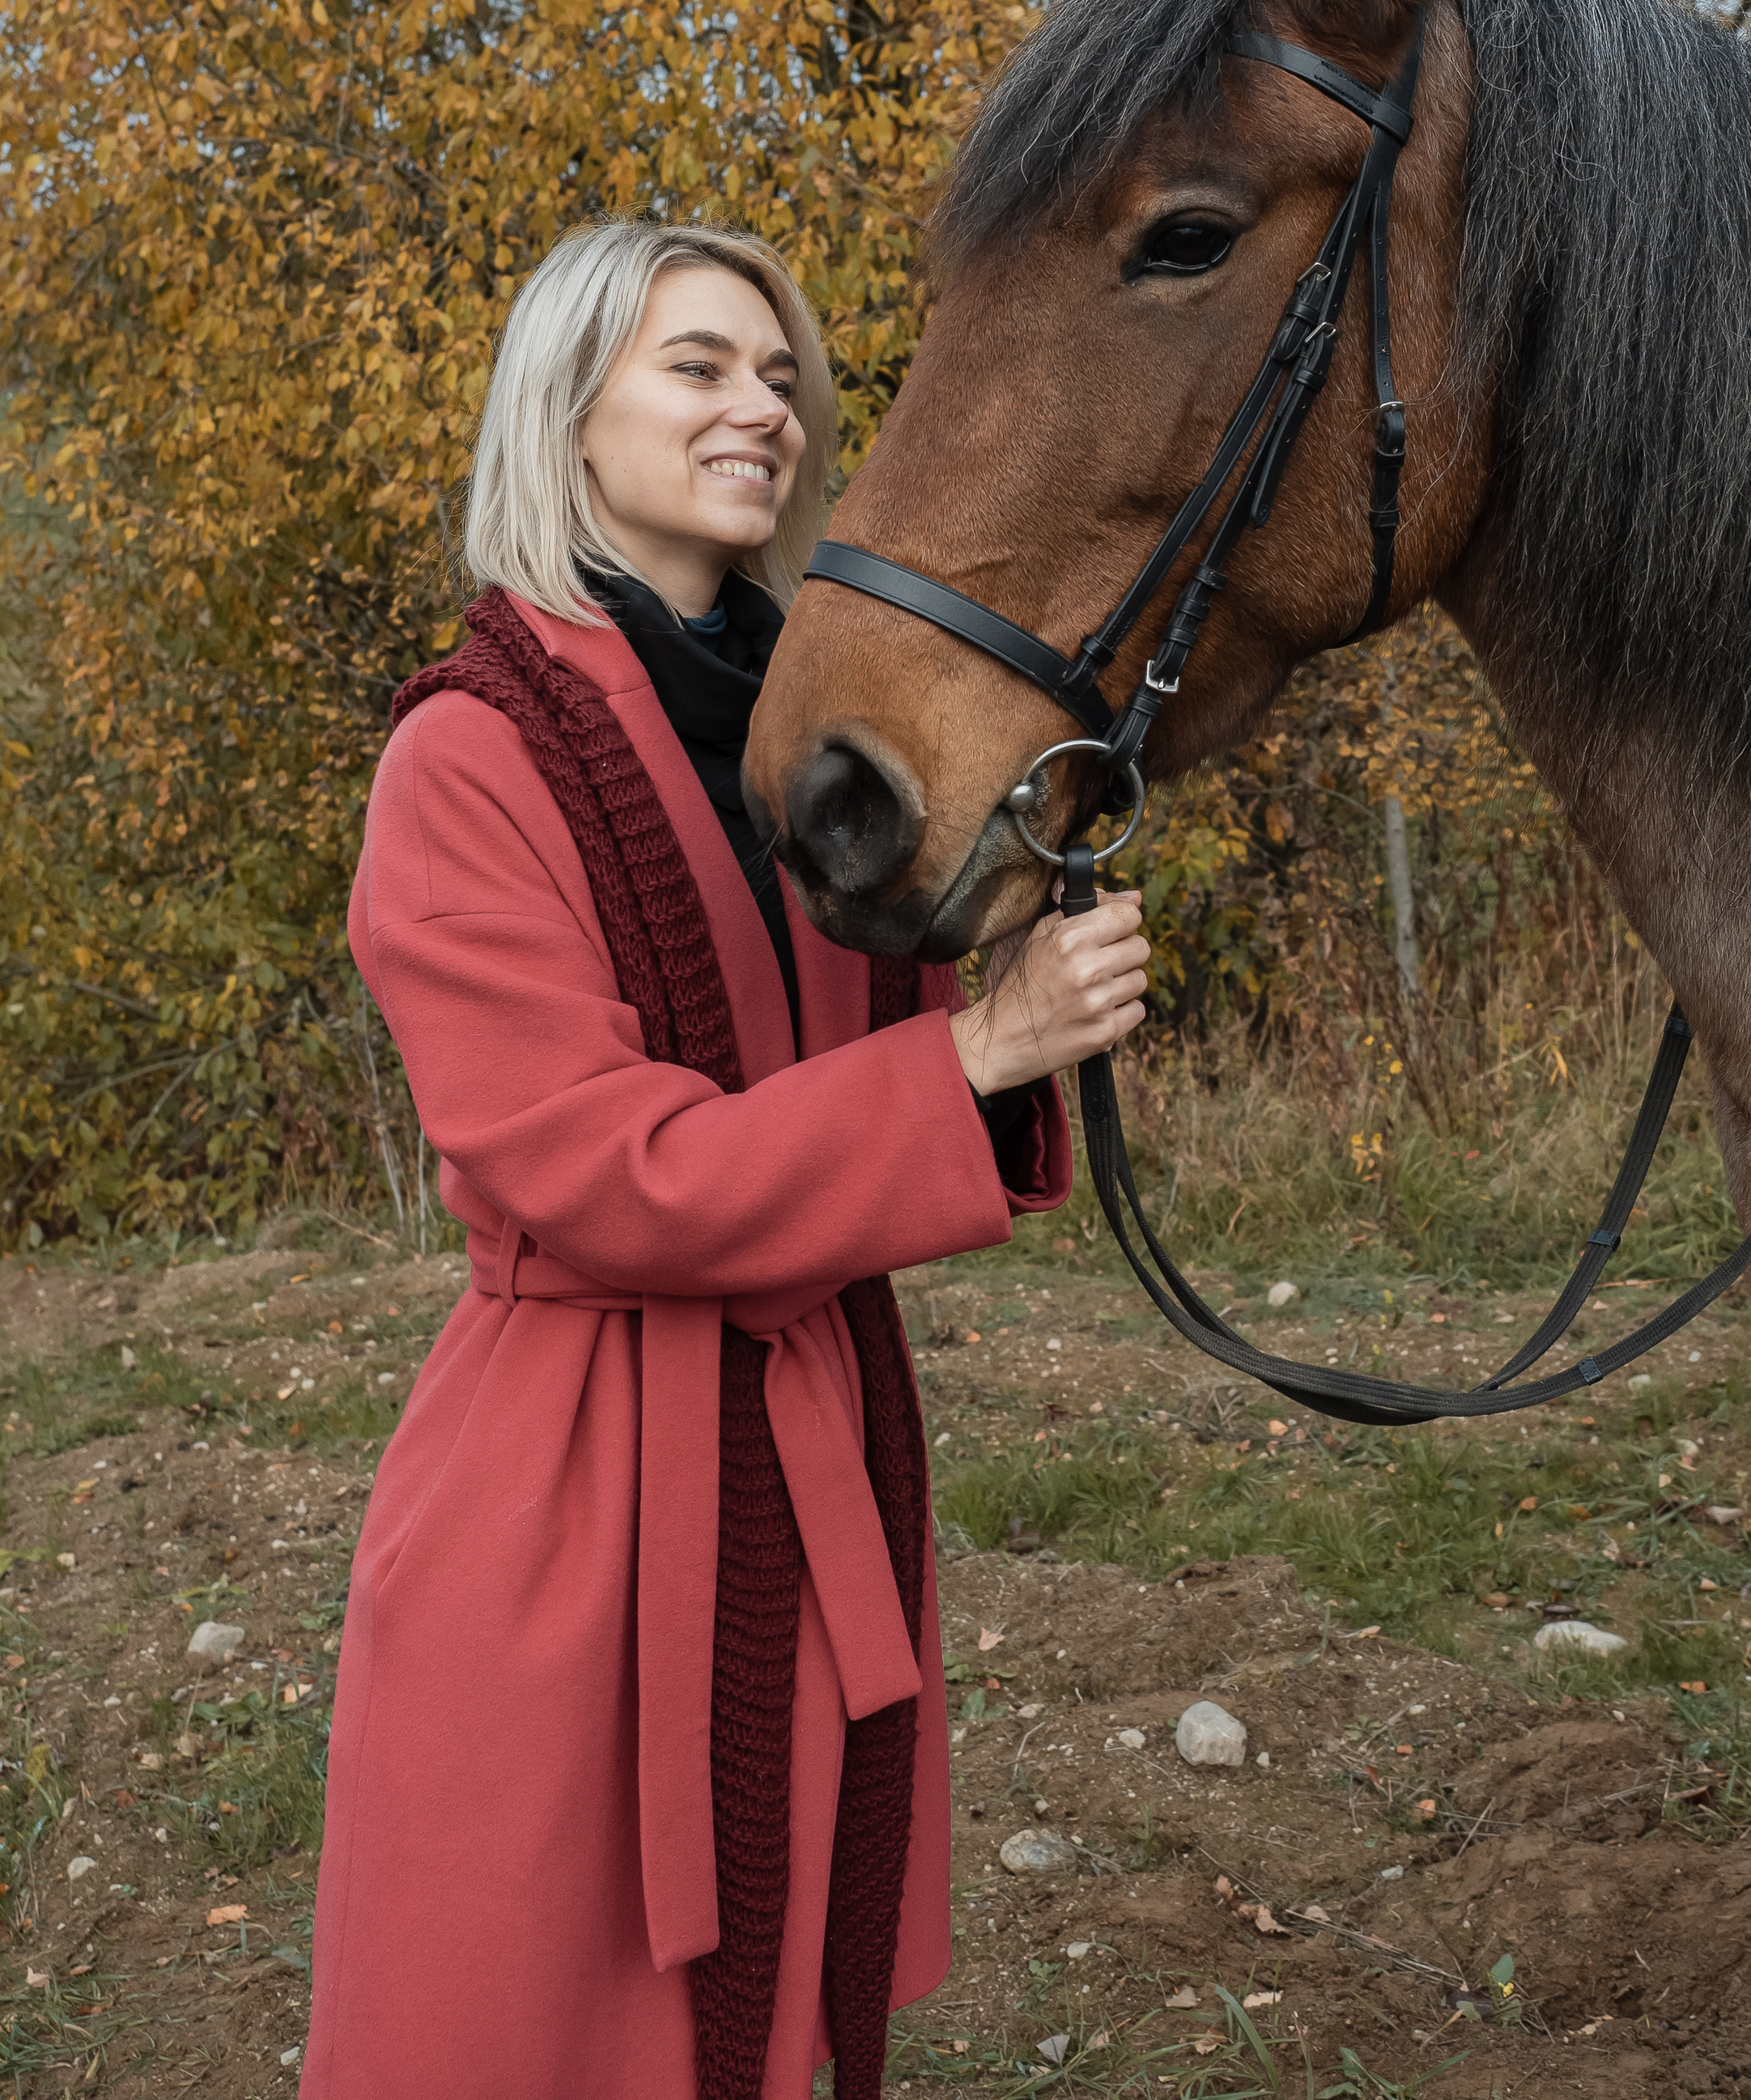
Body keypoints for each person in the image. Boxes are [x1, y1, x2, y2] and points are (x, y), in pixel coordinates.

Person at [302, 220, 1149, 2100]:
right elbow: (602, 1173)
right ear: (568, 412)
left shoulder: (810, 739)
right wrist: (974, 1057)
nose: (759, 406)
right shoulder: (468, 757)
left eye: (777, 376)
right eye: (696, 365)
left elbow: (867, 1052)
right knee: (532, 2012)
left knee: (776, 1995)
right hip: (574, 1478)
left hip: (813, 1427)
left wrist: (1023, 943)